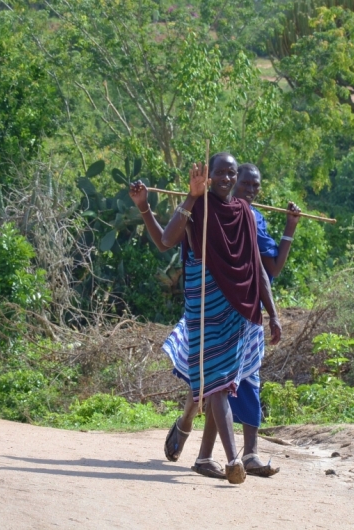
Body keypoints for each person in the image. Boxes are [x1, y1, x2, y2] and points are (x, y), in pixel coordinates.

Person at [129, 163, 300, 478]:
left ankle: (218, 456)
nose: (229, 180)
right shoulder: (198, 206)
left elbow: (261, 269)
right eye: (222, 173)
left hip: (239, 311)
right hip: (205, 308)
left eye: (233, 175)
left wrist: (272, 312)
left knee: (225, 383)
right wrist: (147, 207)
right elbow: (166, 240)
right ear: (209, 177)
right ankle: (231, 457)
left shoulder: (247, 215)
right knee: (216, 384)